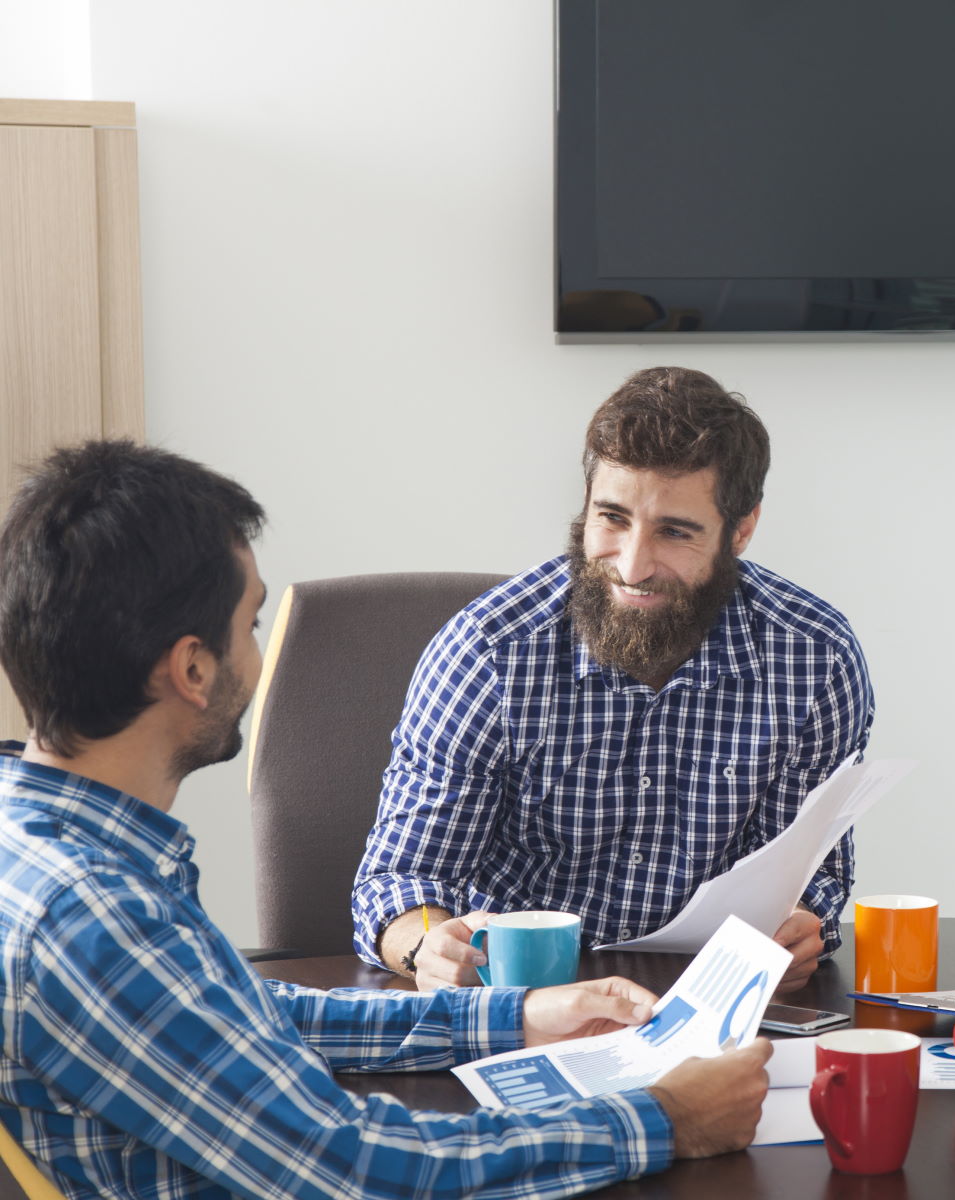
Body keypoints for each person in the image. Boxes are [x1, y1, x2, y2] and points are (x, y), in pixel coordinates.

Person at [0, 440, 771, 1200]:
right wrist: (665, 1119)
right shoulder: (93, 918)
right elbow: (357, 1168)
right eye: (252, 625)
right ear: (194, 670)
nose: (260, 656)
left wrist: (512, 1017)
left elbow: (233, 1016)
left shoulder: (41, 849)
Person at [353, 367, 874, 993]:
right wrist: (423, 946)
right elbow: (397, 884)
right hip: (527, 1001)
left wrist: (801, 927)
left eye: (674, 532)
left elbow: (812, 878)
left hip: (712, 1000)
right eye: (612, 518)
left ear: (741, 530)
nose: (631, 565)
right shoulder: (490, 651)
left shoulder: (815, 658)